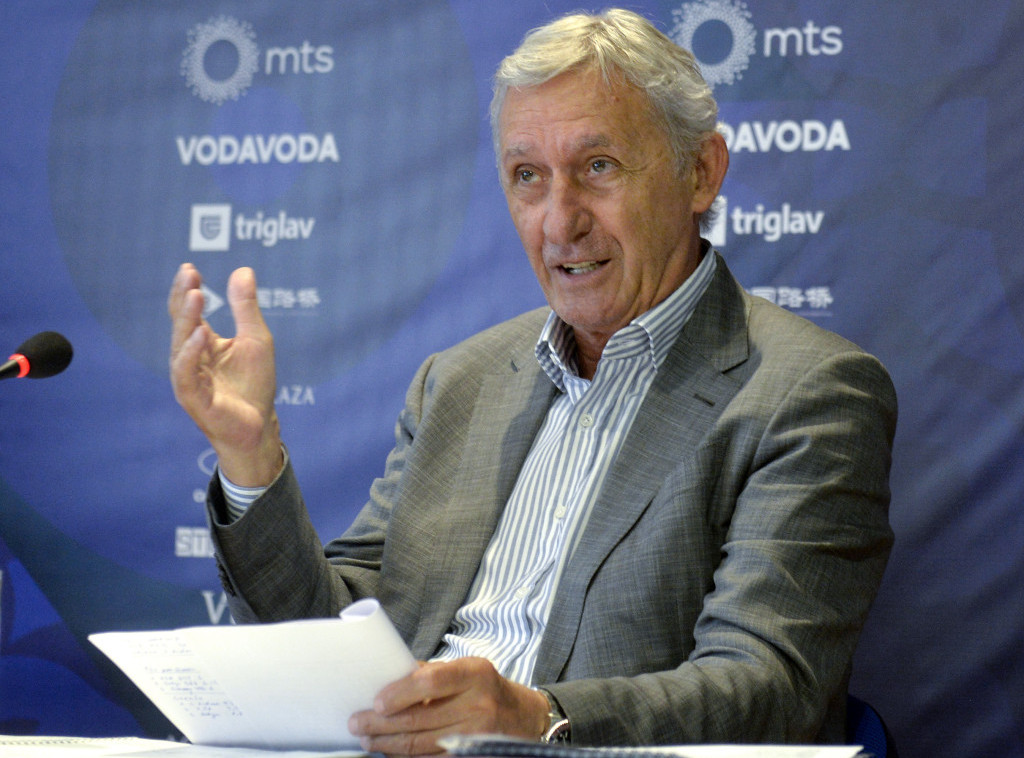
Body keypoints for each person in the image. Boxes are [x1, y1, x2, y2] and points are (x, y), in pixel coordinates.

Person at [168, 8, 896, 754]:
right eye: (528, 177)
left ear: (700, 173)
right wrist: (251, 459)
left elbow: (770, 689)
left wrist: (535, 718)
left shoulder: (809, 394)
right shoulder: (458, 382)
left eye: (599, 166)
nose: (559, 221)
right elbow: (335, 640)